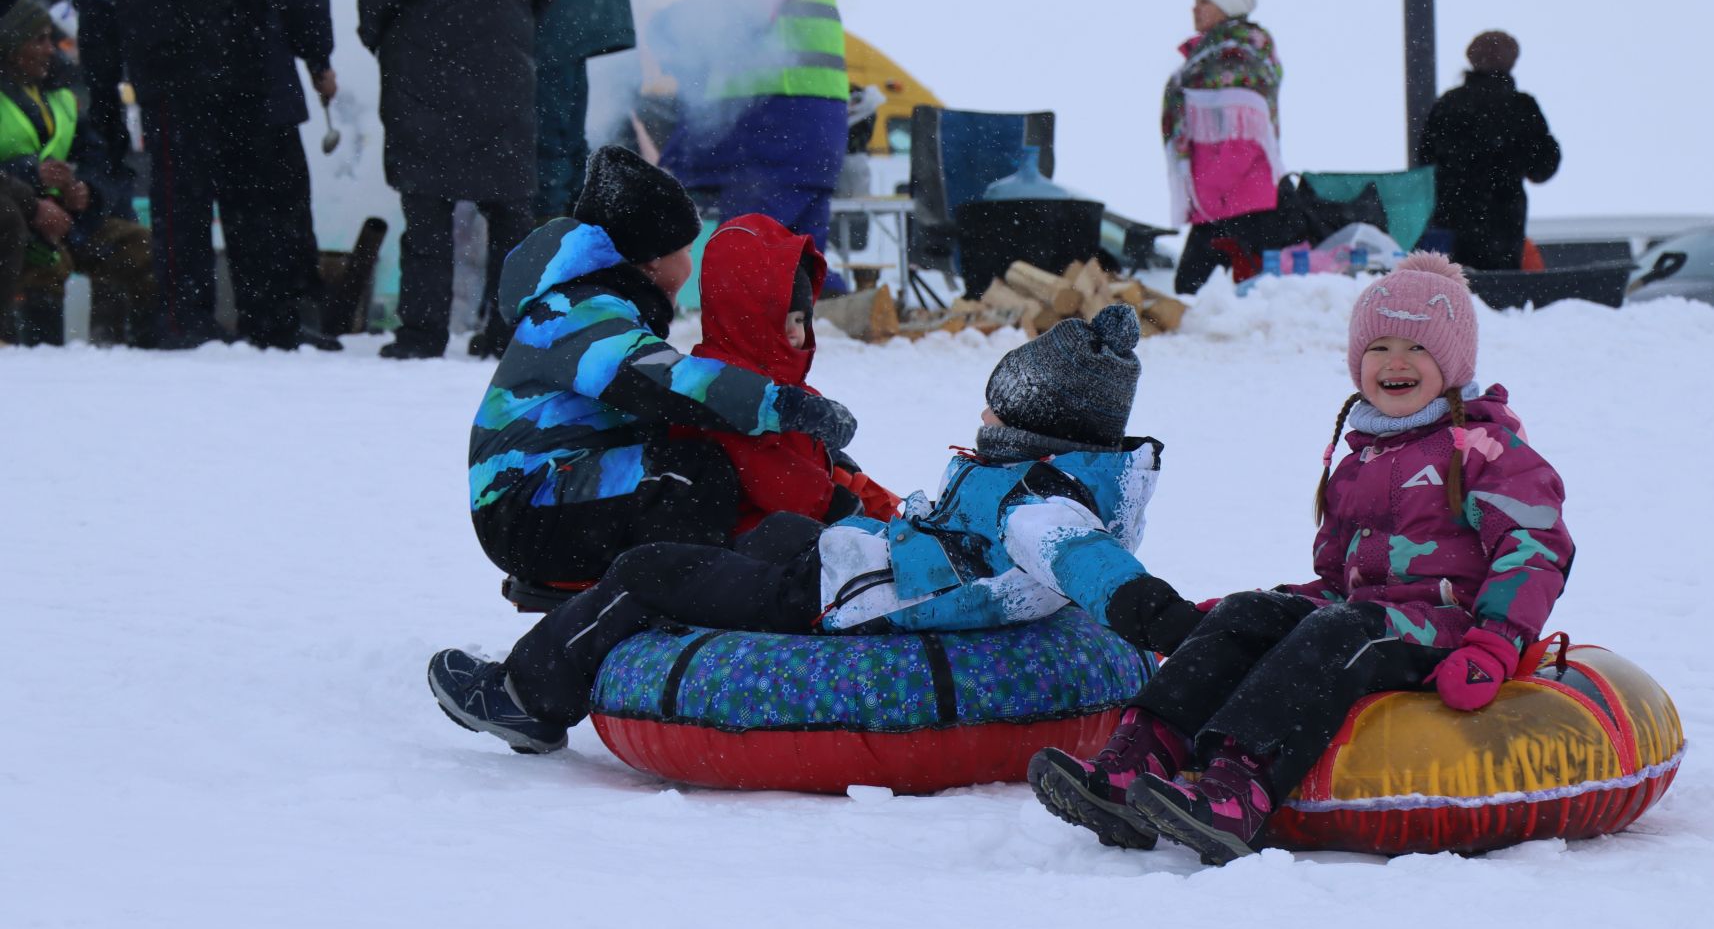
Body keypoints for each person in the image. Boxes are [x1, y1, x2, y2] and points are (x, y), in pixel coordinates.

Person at [430, 302, 1205, 755]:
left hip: (846, 598)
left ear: (1040, 420)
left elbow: (1091, 567)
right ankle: (687, 609)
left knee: (645, 568)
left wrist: (1175, 629)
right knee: (776, 532)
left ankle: (525, 698)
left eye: (997, 406)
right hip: (873, 565)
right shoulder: (1035, 482)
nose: (983, 416)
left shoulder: (1039, 510)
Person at [1031, 253, 1574, 865]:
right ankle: (1137, 758)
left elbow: (1533, 547)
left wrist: (1494, 643)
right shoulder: (1361, 458)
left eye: (1417, 348)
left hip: (1449, 626)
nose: (1395, 362)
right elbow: (1341, 584)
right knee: (1252, 610)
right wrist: (1262, 612)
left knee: (1345, 628)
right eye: (1379, 348)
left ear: (1452, 361)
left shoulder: (1487, 447)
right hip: (1367, 616)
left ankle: (1241, 787)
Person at [467, 145, 862, 591]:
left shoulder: (594, 303)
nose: (690, 264)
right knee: (688, 476)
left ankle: (696, 586)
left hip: (554, 490)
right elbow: (662, 382)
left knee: (708, 453)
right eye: (686, 248)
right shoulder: (574, 313)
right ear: (655, 257)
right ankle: (686, 596)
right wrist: (780, 405)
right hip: (523, 509)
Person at [76, 0, 326, 350]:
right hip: (175, 60)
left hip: (241, 50)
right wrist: (164, 38)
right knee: (181, 199)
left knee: (254, 198)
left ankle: (269, 319)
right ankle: (183, 318)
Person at [358, 0, 563, 360]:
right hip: (505, 65)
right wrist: (509, 27)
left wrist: (380, 31)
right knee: (510, 207)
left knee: (427, 203)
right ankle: (508, 331)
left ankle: (422, 332)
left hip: (424, 61)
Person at [653, 0, 849, 266]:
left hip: (778, 126)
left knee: (746, 260)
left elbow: (742, 17)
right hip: (806, 128)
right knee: (799, 266)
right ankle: (828, 318)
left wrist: (668, 26)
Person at [674, 212, 896, 535]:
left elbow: (813, 459)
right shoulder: (720, 389)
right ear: (747, 318)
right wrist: (833, 503)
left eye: (801, 319)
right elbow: (772, 477)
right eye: (784, 319)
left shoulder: (783, 386)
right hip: (747, 544)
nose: (796, 333)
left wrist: (880, 503)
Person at [0, 0, 150, 343]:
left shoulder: (61, 96)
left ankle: (145, 357)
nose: (51, 50)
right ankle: (41, 368)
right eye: (39, 40)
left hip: (67, 220)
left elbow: (100, 157)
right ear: (10, 44)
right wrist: (31, 178)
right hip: (16, 221)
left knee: (141, 251)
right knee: (46, 266)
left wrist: (86, 189)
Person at [518, 0, 634, 226]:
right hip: (570, 10)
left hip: (551, 15)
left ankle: (550, 262)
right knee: (565, 147)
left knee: (547, 151)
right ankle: (571, 260)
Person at [1164, 0, 1283, 295]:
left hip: (1239, 200)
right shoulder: (1205, 57)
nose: (1195, 9)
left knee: (1198, 293)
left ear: (1228, 4)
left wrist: (1210, 190)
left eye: (1205, 1)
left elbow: (1243, 139)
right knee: (1195, 294)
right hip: (1215, 200)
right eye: (1195, 1)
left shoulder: (1242, 57)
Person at [1415, 31, 1561, 272]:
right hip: (1504, 221)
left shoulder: (1448, 105)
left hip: (1451, 216)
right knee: (1501, 293)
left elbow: (1424, 160)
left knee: (1454, 288)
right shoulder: (1522, 108)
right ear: (1512, 62)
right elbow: (1543, 167)